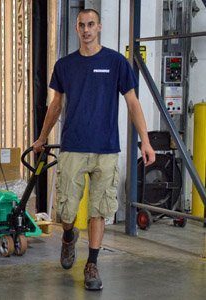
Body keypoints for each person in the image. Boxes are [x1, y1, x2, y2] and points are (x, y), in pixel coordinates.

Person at [33, 9, 156, 291]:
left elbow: (133, 103)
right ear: (77, 29)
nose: (86, 30)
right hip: (73, 146)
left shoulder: (116, 63)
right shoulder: (65, 65)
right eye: (81, 25)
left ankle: (92, 264)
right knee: (65, 212)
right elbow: (55, 105)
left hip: (106, 149)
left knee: (99, 210)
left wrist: (145, 141)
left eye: (91, 25)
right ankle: (68, 237)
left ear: (99, 27)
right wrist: (41, 138)